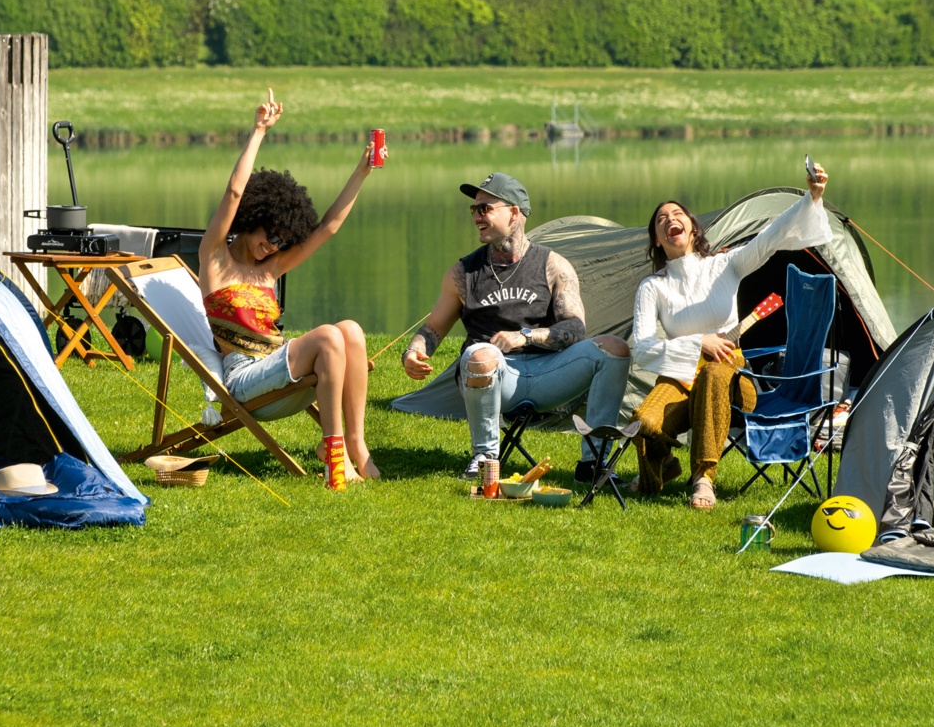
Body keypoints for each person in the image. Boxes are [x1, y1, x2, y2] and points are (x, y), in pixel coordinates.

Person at [401, 171, 630, 479]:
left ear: (513, 212)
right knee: (482, 355)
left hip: (549, 373)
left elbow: (575, 329)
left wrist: (525, 336)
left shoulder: (553, 265)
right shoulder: (463, 272)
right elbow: (432, 329)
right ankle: (485, 458)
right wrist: (413, 352)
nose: (476, 217)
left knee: (614, 349)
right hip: (493, 375)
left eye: (484, 208)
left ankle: (594, 462)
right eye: (474, 209)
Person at [199, 93, 380, 483]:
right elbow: (233, 193)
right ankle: (335, 460)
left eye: (282, 241)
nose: (273, 246)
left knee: (351, 331)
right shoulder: (215, 259)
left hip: (279, 366)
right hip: (245, 380)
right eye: (270, 235)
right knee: (328, 337)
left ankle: (355, 445)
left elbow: (328, 226)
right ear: (252, 218)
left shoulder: (272, 267)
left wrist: (361, 172)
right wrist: (258, 131)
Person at [629, 162, 831, 509]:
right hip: (680, 377)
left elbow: (770, 237)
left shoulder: (724, 265)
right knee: (643, 421)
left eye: (677, 214)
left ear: (693, 229)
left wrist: (810, 198)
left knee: (713, 372)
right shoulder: (652, 287)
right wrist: (699, 342)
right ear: (658, 242)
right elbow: (642, 349)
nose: (669, 219)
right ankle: (665, 465)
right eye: (661, 220)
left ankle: (703, 478)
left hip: (734, 379)